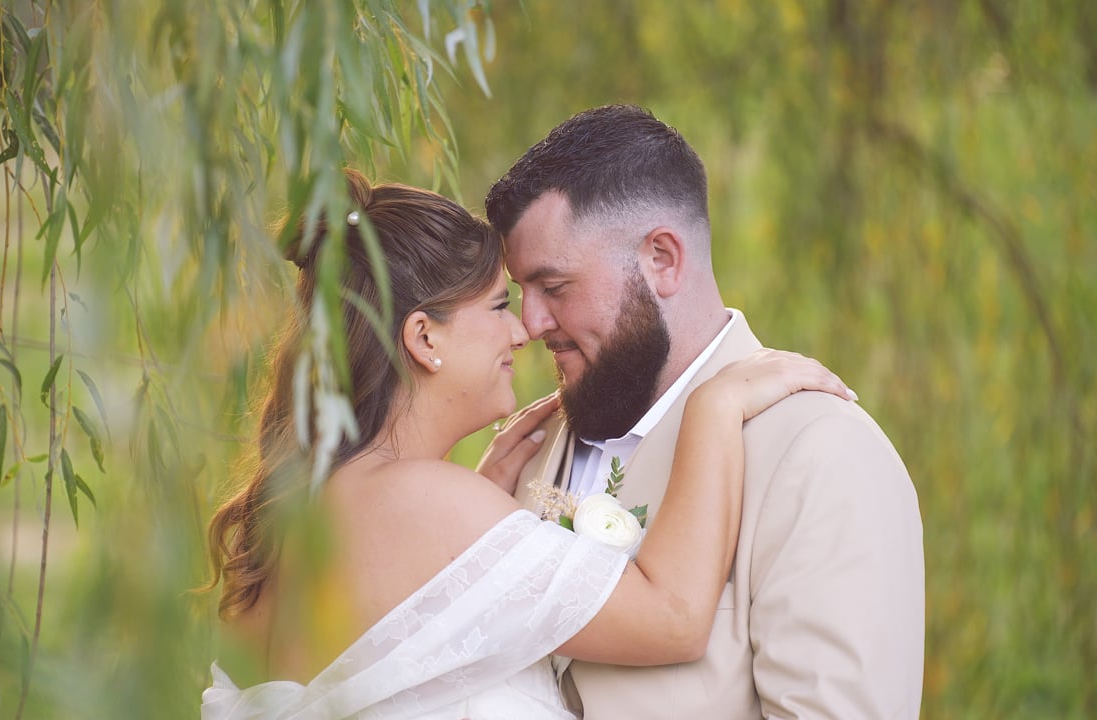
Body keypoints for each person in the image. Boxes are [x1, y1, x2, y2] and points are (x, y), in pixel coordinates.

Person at [201, 169, 856, 720]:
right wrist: (714, 406)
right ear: (424, 338)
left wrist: (477, 525)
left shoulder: (283, 535)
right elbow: (677, 617)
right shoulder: (423, 503)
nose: (523, 330)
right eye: (495, 306)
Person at [482, 104, 925, 719]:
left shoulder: (823, 453)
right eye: (521, 293)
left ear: (662, 259)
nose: (529, 325)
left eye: (553, 288)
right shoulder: (528, 452)